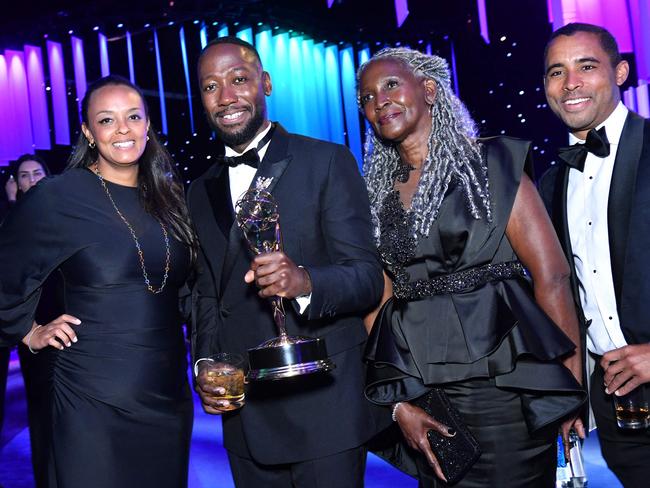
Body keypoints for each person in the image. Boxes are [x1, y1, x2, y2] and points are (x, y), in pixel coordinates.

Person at [357, 47, 586, 487]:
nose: (378, 101)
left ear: (428, 90)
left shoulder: (491, 166)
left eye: (390, 85)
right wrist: (399, 403)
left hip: (502, 386)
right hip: (426, 393)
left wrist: (568, 388)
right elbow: (377, 302)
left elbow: (552, 276)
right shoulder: (374, 194)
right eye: (367, 97)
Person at [188, 36, 388, 487]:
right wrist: (205, 364)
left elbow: (368, 280)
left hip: (325, 409)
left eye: (239, 80)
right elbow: (203, 293)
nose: (227, 96)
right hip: (247, 416)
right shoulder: (198, 192)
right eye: (211, 87)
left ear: (267, 83)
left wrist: (304, 283)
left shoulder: (326, 162)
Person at [0, 75, 196, 488]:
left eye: (133, 117)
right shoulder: (59, 197)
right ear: (89, 132)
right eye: (107, 120)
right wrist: (28, 331)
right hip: (90, 398)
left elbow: (187, 291)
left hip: (167, 396)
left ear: (147, 125)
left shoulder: (168, 195)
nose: (123, 129)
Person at [539, 23, 650, 487]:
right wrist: (571, 396)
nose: (571, 84)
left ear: (620, 72)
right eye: (556, 72)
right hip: (619, 408)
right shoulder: (550, 184)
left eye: (587, 66)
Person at [0, 154, 61, 488]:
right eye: (24, 176)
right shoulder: (13, 219)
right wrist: (12, 205)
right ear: (15, 184)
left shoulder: (67, 211)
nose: (32, 179)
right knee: (42, 410)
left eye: (38, 172)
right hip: (33, 327)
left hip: (73, 321)